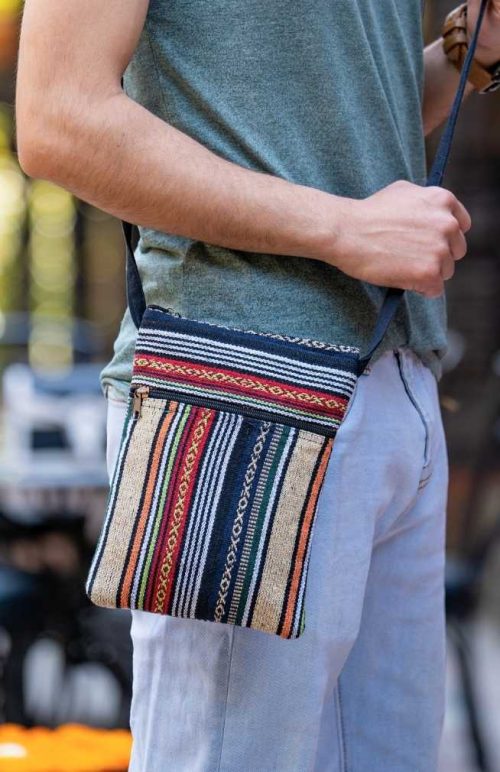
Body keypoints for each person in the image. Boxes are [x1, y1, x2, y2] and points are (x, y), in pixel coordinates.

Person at [15, 1, 500, 769]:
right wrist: (343, 229)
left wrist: (463, 53)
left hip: (399, 375)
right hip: (246, 386)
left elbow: (334, 133)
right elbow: (59, 118)